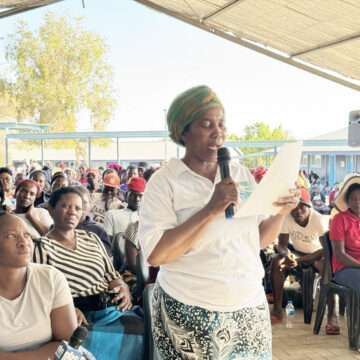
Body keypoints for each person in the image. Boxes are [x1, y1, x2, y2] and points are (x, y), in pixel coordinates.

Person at [138, 85, 299, 359]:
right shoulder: (165, 181)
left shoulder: (241, 175)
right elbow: (156, 254)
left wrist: (281, 213)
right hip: (189, 308)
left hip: (249, 307)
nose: (218, 132)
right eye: (207, 124)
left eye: (222, 124)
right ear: (183, 131)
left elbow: (257, 240)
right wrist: (211, 209)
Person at [32, 187, 142, 360]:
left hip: (106, 306)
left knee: (140, 327)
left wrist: (122, 287)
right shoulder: (40, 246)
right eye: (65, 206)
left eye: (77, 208)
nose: (72, 212)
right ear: (52, 209)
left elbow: (111, 274)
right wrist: (65, 308)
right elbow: (38, 290)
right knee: (77, 340)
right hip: (70, 311)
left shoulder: (92, 238)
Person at [0, 212, 77, 356]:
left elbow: (69, 348)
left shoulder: (51, 278)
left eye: (27, 235)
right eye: (12, 235)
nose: (24, 242)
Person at [270, 189, 338, 333]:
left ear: (309, 206)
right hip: (296, 253)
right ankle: (277, 310)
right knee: (277, 261)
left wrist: (299, 260)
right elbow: (282, 245)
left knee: (327, 266)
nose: (298, 211)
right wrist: (287, 255)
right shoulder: (287, 218)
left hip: (317, 254)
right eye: (294, 206)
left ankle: (332, 315)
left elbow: (327, 249)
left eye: (302, 206)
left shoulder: (318, 219)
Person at [330, 175, 360, 295]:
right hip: (344, 269)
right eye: (353, 198)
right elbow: (339, 254)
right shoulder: (340, 219)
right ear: (347, 201)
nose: (357, 202)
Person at [75, 186, 112, 256]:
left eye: (84, 202)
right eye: (76, 202)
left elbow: (104, 256)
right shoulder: (60, 225)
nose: (80, 206)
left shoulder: (99, 230)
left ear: (90, 203)